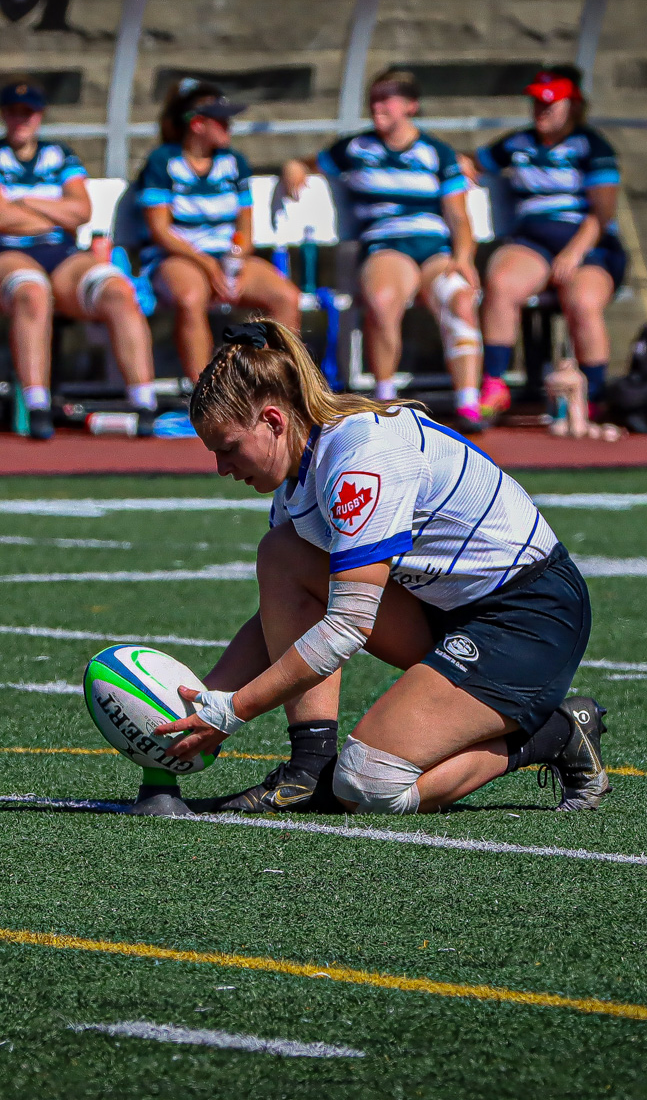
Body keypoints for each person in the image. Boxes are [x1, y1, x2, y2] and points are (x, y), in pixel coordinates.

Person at [146, 319, 606, 817]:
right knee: (283, 552)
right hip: (446, 607)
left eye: (228, 448)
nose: (222, 468)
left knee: (367, 784)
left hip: (527, 617)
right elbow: (280, 620)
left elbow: (346, 625)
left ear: (274, 421)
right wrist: (199, 701)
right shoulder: (299, 474)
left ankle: (554, 733)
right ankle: (308, 769)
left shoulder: (359, 459)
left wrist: (233, 711)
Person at [282, 70, 484, 432]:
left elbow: (458, 215)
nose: (377, 106)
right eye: (374, 98)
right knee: (382, 299)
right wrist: (295, 166)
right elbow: (313, 162)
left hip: (434, 250)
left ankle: (468, 403)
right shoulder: (356, 148)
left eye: (387, 98)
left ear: (410, 105)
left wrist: (465, 258)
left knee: (460, 296)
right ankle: (386, 402)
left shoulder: (436, 152)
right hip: (387, 246)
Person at [0, 82, 158, 440]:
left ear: (39, 116)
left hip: (62, 256)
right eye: (13, 111)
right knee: (31, 290)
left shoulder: (60, 155)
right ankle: (38, 405)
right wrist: (56, 213)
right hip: (2, 256)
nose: (20, 119)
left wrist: (24, 202)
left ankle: (144, 403)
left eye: (28, 112)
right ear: (2, 114)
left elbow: (81, 211)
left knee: (117, 289)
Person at [473, 67, 625, 423]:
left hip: (588, 245)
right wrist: (462, 165)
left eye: (551, 104)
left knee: (582, 301)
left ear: (572, 106)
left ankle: (593, 397)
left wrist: (573, 253)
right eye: (536, 103)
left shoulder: (593, 147)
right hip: (532, 242)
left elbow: (602, 214)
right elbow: (475, 160)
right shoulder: (517, 143)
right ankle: (495, 384)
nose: (541, 111)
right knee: (500, 283)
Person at [135, 80, 301, 383]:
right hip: (179, 257)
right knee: (190, 296)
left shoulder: (233, 162)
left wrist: (233, 263)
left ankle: (275, 386)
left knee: (286, 296)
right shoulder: (163, 162)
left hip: (226, 258)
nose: (230, 126)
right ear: (197, 124)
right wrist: (208, 264)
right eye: (221, 120)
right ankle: (205, 394)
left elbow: (245, 229)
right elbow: (160, 231)